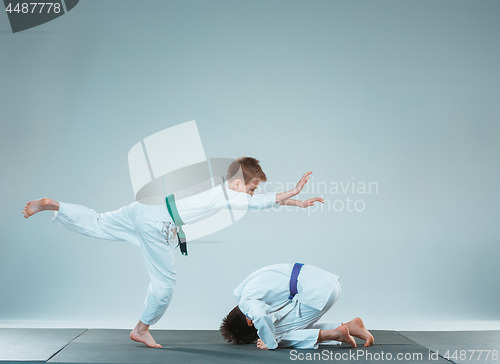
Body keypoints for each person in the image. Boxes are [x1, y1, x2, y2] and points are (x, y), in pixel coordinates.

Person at [23, 157, 324, 349]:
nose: (251, 194)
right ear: (236, 183)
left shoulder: (218, 190)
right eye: (252, 188)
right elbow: (259, 204)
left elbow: (258, 203)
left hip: (146, 208)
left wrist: (296, 203)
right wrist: (294, 193)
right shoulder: (228, 193)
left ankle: (56, 206)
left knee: (99, 222)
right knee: (164, 284)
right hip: (157, 224)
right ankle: (141, 329)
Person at [220, 263, 374, 350]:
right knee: (287, 328)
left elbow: (260, 315)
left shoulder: (248, 304)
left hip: (316, 291)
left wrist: (270, 342)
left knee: (275, 333)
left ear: (249, 321)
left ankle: (334, 334)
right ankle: (349, 327)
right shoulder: (242, 291)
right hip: (324, 282)